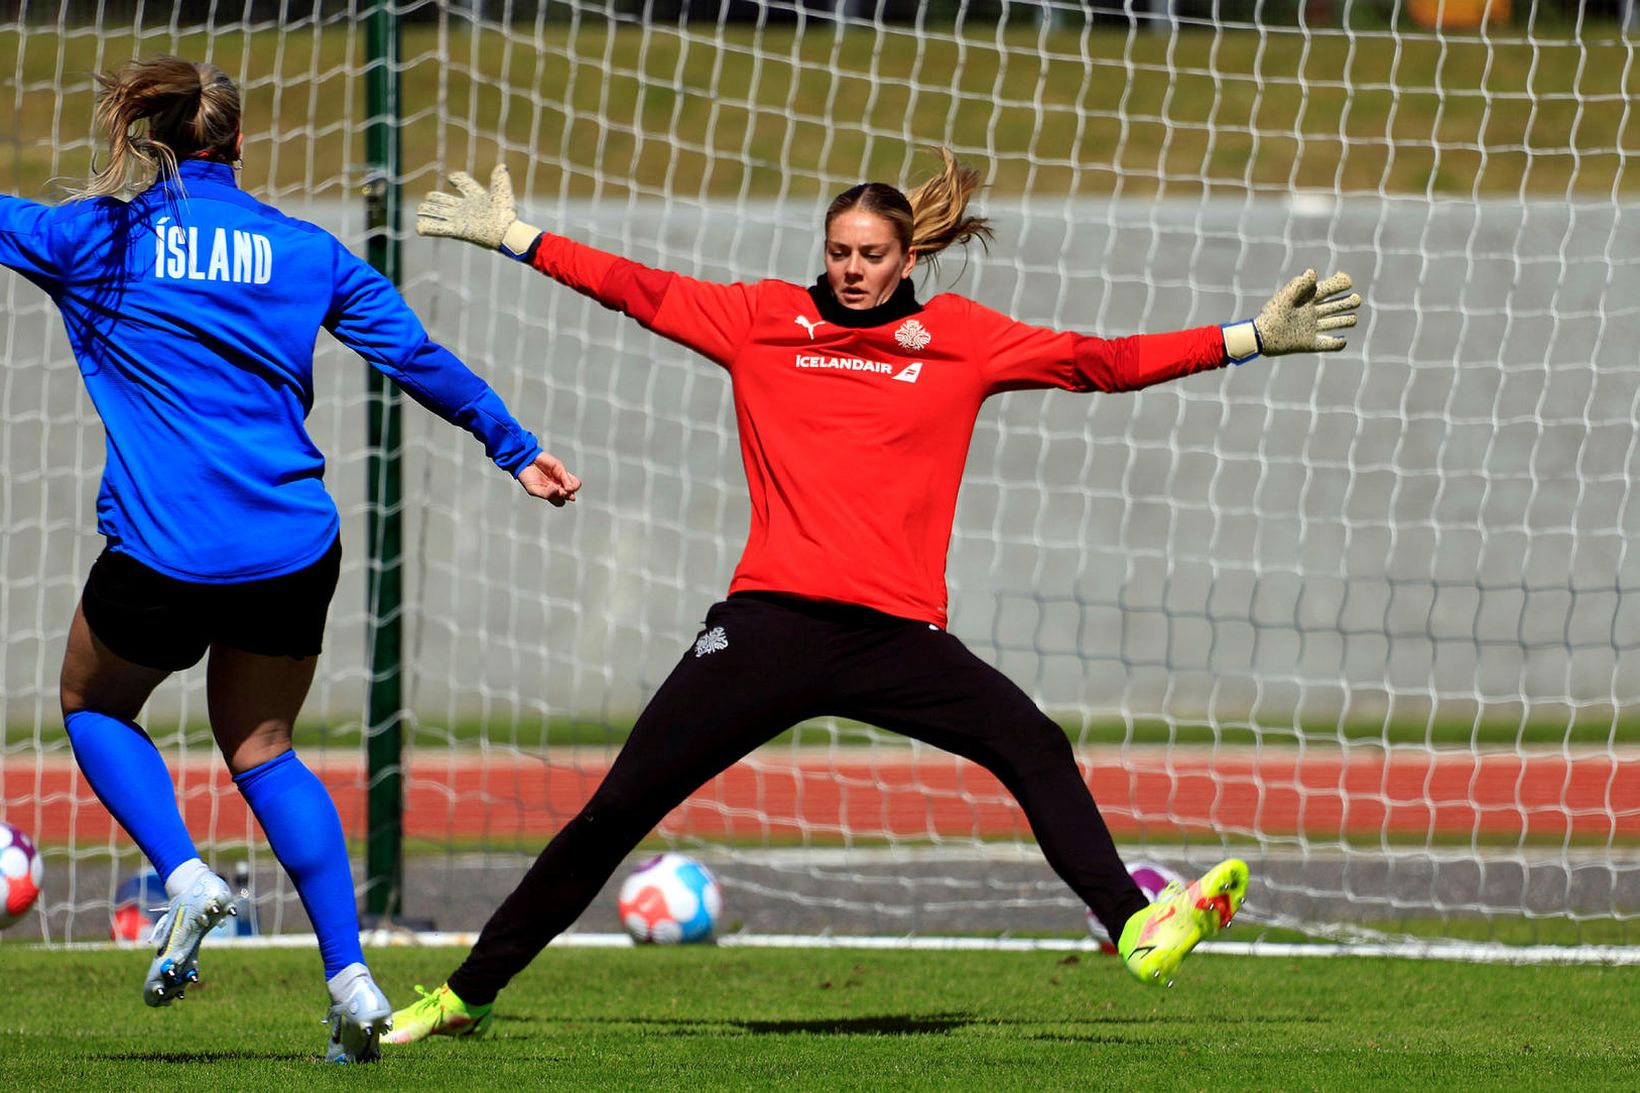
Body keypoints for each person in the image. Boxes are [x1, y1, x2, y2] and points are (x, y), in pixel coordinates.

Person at [387, 152, 1361, 1043]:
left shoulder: (962, 340)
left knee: (1031, 742)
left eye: (870, 255)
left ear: (905, 260)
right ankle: (466, 992)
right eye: (838, 251)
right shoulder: (760, 317)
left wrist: (1248, 338)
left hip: (895, 638)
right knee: (617, 808)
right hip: (769, 623)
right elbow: (635, 291)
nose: (850, 268)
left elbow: (1098, 362)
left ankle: (1136, 928)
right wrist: (515, 236)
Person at [0, 57, 580, 1062]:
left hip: (165, 542)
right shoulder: (305, 250)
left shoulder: (97, 232)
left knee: (95, 706)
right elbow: (416, 356)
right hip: (290, 544)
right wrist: (514, 447)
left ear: (153, 141)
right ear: (237, 144)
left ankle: (184, 876)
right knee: (263, 747)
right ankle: (351, 981)